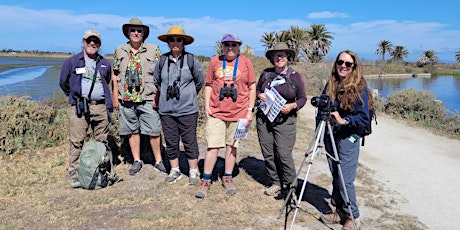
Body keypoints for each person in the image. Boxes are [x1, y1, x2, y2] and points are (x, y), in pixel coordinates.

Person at [195, 34, 256, 198]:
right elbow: (208, 84)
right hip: (217, 112)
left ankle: (227, 176)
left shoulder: (245, 62)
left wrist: (250, 110)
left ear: (239, 47)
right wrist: (207, 105)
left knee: (232, 146)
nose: (230, 48)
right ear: (222, 46)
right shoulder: (215, 61)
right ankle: (206, 179)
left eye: (234, 45)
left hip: (239, 113)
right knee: (213, 147)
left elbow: (252, 87)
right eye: (227, 44)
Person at [317, 50, 372, 230]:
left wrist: (345, 120)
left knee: (345, 178)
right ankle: (339, 211)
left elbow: (364, 118)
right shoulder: (332, 84)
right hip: (331, 136)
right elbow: (322, 109)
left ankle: (353, 216)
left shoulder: (360, 87)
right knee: (335, 175)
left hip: (349, 137)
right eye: (340, 62)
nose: (343, 66)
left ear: (354, 67)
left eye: (348, 64)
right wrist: (319, 131)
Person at [59, 30, 114, 188]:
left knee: (102, 141)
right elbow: (64, 83)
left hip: (100, 107)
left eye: (95, 41)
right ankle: (74, 173)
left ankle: (100, 170)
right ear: (83, 42)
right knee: (77, 141)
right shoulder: (72, 62)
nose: (92, 44)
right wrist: (75, 97)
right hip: (79, 108)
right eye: (89, 41)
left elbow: (108, 81)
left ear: (100, 44)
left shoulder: (105, 63)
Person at [112, 18, 166, 175]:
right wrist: (115, 97)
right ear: (128, 33)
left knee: (154, 131)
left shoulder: (153, 49)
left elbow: (161, 75)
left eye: (139, 31)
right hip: (126, 99)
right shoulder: (119, 50)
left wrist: (158, 96)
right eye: (133, 30)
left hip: (148, 98)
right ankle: (137, 160)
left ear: (144, 34)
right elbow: (115, 75)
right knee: (132, 131)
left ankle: (158, 160)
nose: (136, 33)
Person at [154, 26, 205, 184]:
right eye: (172, 39)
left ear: (184, 42)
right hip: (166, 111)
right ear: (168, 42)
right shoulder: (162, 60)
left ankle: (193, 171)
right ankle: (175, 170)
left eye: (179, 39)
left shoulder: (191, 60)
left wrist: (187, 95)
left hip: (187, 110)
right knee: (171, 141)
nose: (175, 42)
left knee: (190, 141)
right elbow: (157, 82)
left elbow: (200, 81)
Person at [255, 42, 307, 197]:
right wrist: (259, 94)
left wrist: (293, 106)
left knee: (283, 154)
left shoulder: (295, 77)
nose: (279, 58)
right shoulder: (266, 74)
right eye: (276, 55)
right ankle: (276, 182)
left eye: (282, 55)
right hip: (264, 120)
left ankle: (291, 187)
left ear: (287, 57)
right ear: (272, 58)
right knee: (268, 153)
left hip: (286, 121)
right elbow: (257, 89)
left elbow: (303, 98)